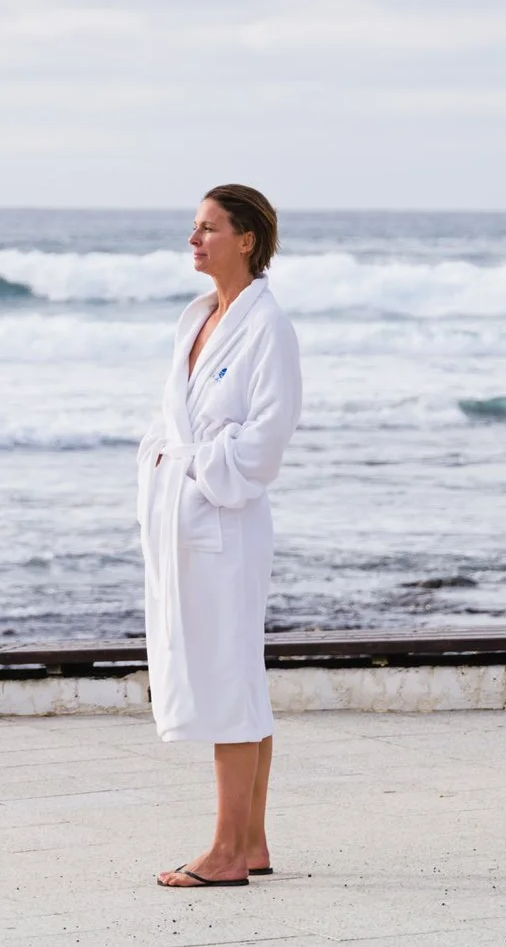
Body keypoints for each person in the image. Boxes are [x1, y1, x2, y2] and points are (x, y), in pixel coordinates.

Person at [141, 184, 303, 888]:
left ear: (246, 239)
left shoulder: (268, 327)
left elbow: (265, 443)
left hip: (226, 523)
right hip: (188, 518)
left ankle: (226, 851)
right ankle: (252, 841)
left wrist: (198, 468)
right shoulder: (200, 318)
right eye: (194, 227)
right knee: (240, 680)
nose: (193, 239)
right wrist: (164, 462)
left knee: (227, 682)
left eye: (208, 228)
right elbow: (174, 419)